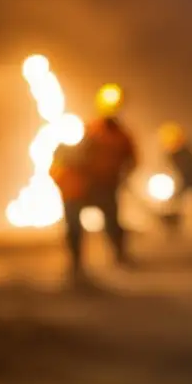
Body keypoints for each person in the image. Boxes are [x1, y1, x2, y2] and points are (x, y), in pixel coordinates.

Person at [50, 82, 138, 282]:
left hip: (105, 184)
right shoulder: (91, 131)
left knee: (112, 221)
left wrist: (122, 177)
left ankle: (119, 256)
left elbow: (132, 159)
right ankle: (76, 266)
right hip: (83, 186)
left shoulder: (123, 136)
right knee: (74, 226)